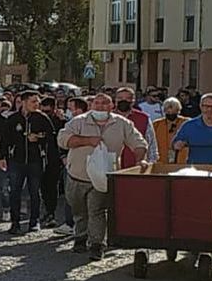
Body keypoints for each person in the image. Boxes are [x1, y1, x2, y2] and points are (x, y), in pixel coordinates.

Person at [58, 93, 148, 260]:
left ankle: (97, 244)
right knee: (79, 209)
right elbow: (63, 140)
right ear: (91, 106)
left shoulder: (122, 123)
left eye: (104, 103)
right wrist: (87, 141)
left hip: (104, 177)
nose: (100, 106)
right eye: (97, 103)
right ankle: (80, 236)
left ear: (111, 106)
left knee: (97, 210)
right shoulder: (78, 121)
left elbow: (139, 142)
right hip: (78, 174)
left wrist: (140, 159)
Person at [1, 90, 52, 235]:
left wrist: (39, 138)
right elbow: (5, 138)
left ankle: (34, 222)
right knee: (15, 192)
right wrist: (2, 156)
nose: (37, 104)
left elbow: (51, 136)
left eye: (38, 101)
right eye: (33, 101)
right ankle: (15, 222)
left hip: (35, 159)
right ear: (23, 102)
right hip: (16, 160)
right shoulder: (12, 119)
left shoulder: (42, 118)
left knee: (34, 192)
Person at [37, 95, 65, 230]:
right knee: (42, 187)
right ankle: (46, 211)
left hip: (54, 159)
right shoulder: (38, 119)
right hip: (40, 158)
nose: (44, 114)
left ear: (54, 109)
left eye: (47, 111)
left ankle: (51, 213)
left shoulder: (61, 122)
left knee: (52, 187)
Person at [114, 87, 157, 169]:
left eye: (127, 98)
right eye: (120, 98)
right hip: (112, 165)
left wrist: (152, 163)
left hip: (136, 165)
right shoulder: (108, 117)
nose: (124, 101)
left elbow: (151, 142)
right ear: (115, 100)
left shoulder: (143, 118)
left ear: (133, 101)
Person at [151, 97, 190, 165]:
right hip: (161, 161)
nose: (170, 113)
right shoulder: (156, 124)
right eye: (168, 112)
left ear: (178, 111)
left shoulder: (187, 123)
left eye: (173, 112)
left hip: (182, 161)